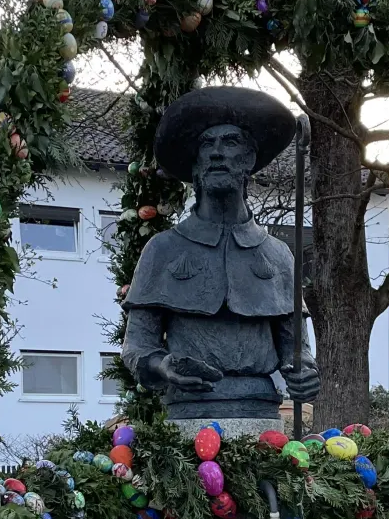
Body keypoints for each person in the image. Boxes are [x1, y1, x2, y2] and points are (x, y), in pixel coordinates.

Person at [121, 87, 321, 421]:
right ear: (195, 164)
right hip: (187, 413)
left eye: (230, 143)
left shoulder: (278, 255)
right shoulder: (163, 250)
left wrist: (304, 373)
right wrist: (161, 365)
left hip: (260, 410)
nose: (216, 153)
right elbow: (137, 344)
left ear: (249, 161)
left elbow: (295, 349)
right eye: (206, 144)